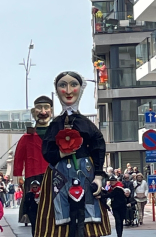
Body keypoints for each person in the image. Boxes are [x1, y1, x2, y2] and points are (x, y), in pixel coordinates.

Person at [35, 71, 110, 237]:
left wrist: (98, 175)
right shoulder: (55, 123)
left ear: (80, 89)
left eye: (73, 85)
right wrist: (60, 154)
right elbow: (46, 149)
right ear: (57, 89)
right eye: (63, 85)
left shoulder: (86, 123)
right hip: (59, 174)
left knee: (87, 210)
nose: (68, 90)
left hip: (85, 172)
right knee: (60, 210)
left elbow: (98, 145)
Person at [14, 95, 52, 223]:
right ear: (33, 112)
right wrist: (18, 175)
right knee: (32, 201)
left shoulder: (57, 134)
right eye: (39, 108)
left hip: (53, 172)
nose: (43, 112)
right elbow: (19, 157)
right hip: (33, 174)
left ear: (51, 111)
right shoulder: (27, 137)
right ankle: (28, 215)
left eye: (46, 108)